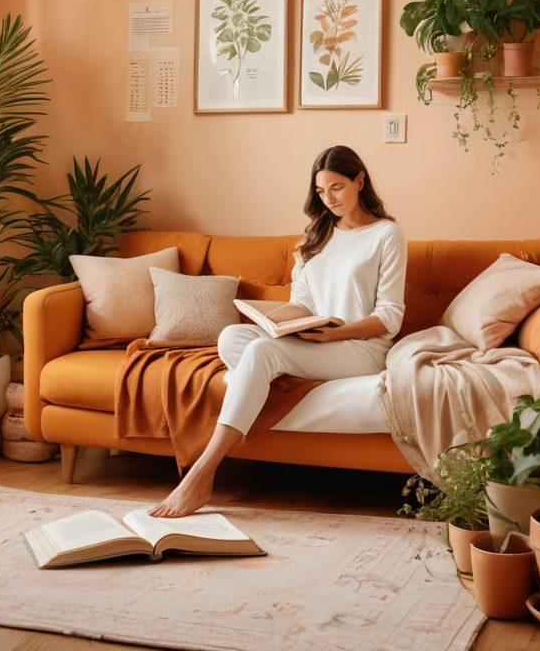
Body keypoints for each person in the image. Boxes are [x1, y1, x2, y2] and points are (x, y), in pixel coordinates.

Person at [149, 144, 407, 518]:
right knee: (232, 337)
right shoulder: (314, 237)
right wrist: (272, 319)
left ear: (359, 181)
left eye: (337, 187)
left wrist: (336, 333)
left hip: (360, 347)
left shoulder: (386, 234)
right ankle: (263, 376)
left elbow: (391, 315)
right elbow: (303, 302)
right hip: (315, 340)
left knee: (259, 354)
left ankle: (202, 473)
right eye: (321, 191)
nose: (329, 198)